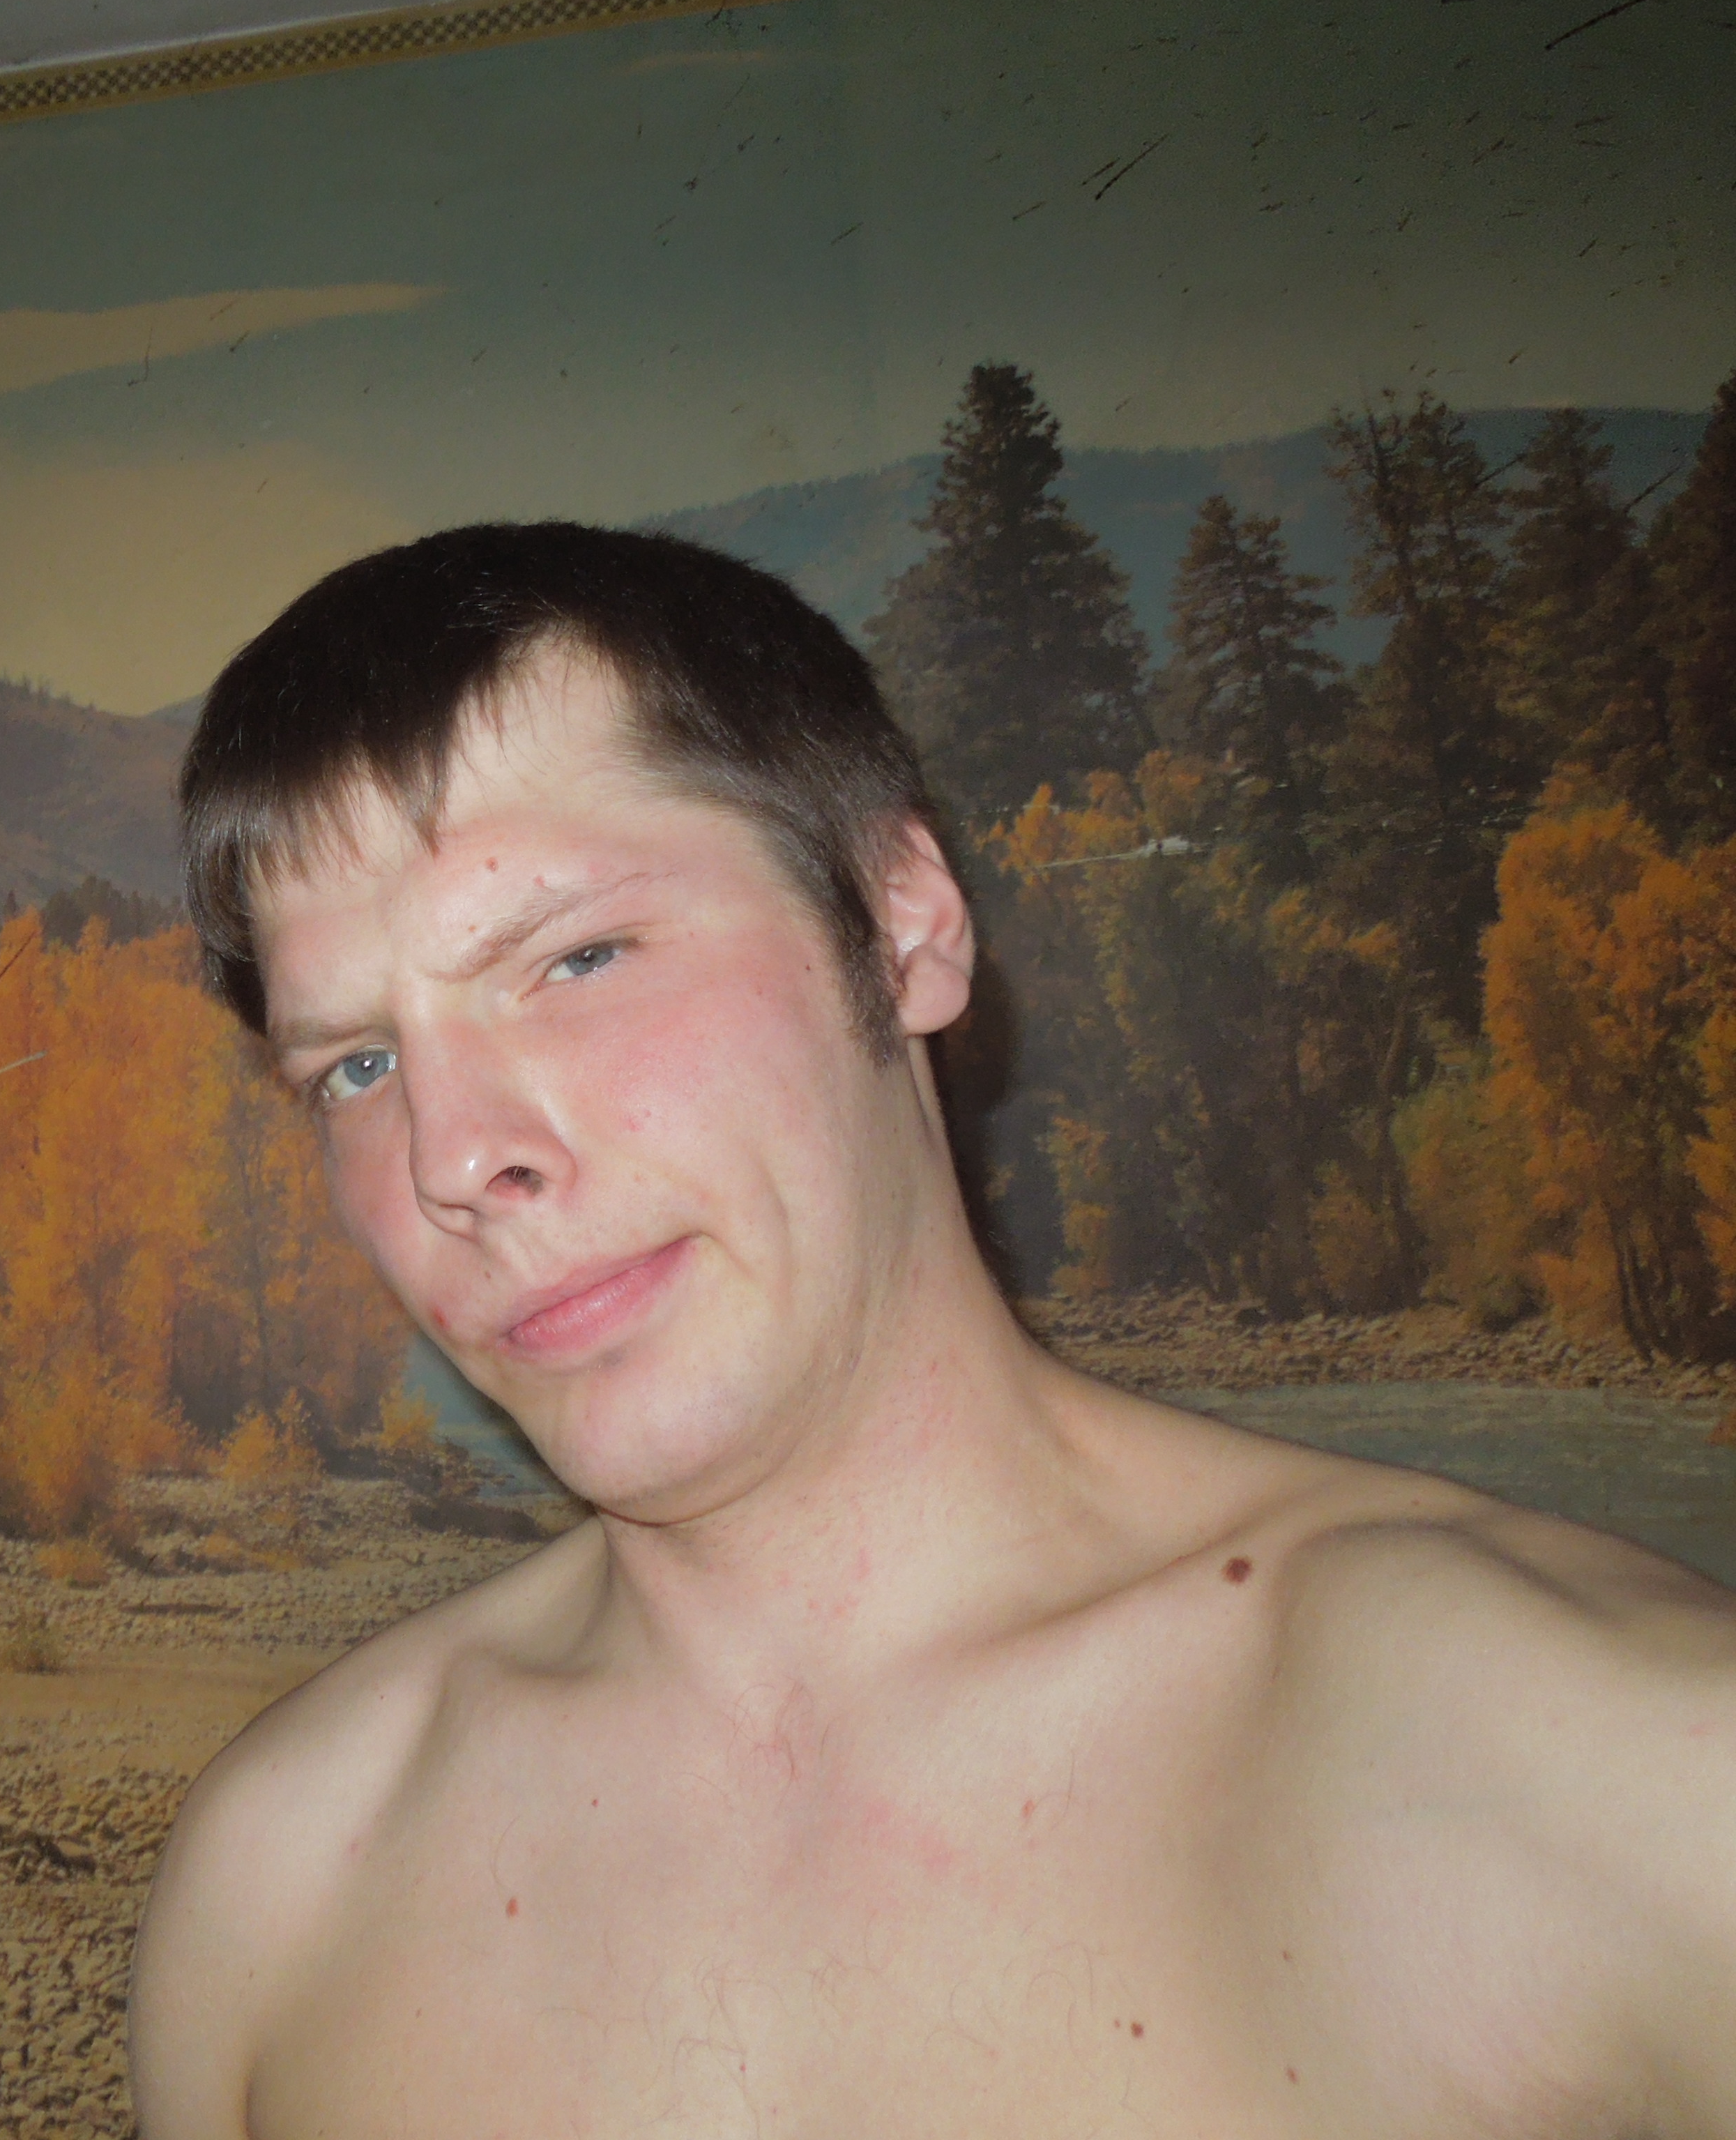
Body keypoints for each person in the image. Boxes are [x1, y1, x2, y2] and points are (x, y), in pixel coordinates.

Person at [128, 524, 1736, 2137]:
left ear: (905, 927)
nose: (454, 1157)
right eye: (355, 1067)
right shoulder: (278, 1897)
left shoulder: (1619, 1780)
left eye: (579, 958)